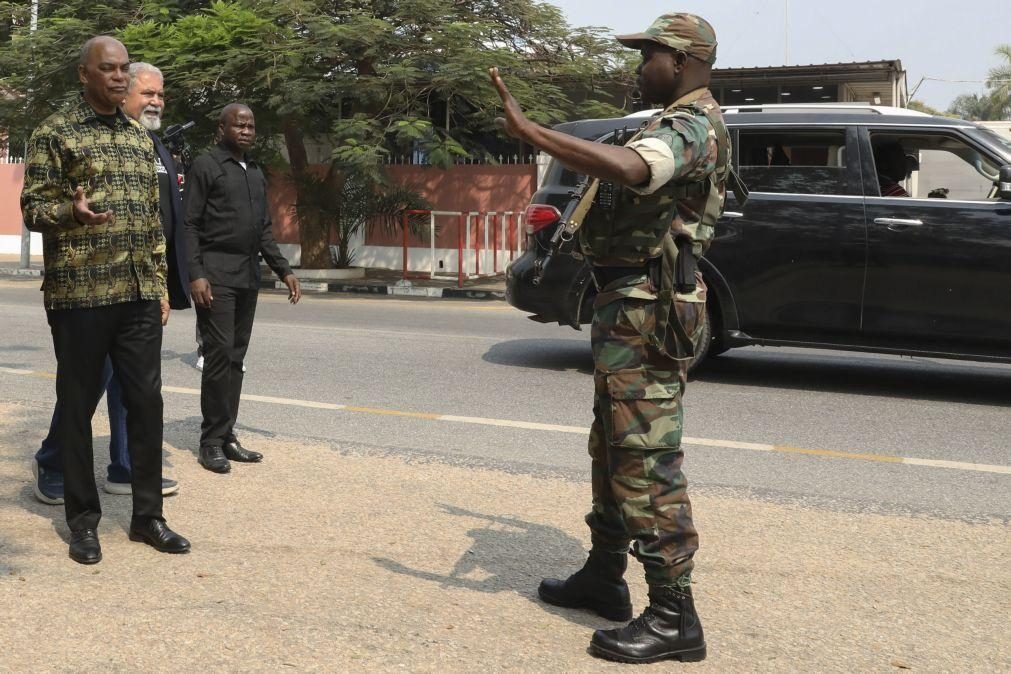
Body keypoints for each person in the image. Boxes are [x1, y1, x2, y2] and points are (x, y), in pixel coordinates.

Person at [490, 13, 735, 664]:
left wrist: (534, 134)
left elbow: (632, 169)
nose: (637, 68)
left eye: (647, 57)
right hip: (626, 306)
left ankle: (673, 616)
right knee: (611, 447)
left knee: (645, 460)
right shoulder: (672, 117)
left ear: (681, 63)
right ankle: (604, 576)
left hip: (650, 310)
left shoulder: (690, 125)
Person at [21, 36, 190, 564]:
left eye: (124, 70)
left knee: (146, 403)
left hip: (138, 297)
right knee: (77, 409)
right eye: (108, 69)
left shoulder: (139, 139)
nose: (119, 77)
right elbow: (32, 209)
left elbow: (151, 225)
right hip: (81, 296)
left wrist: (159, 287)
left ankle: (147, 518)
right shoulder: (54, 133)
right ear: (84, 75)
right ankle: (83, 522)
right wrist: (72, 213)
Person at [184, 103, 300, 474]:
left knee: (236, 358)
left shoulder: (254, 172)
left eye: (251, 126)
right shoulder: (206, 166)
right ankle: (210, 442)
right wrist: (196, 274)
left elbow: (263, 228)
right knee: (218, 357)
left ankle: (227, 433)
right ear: (222, 129)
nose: (247, 131)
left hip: (247, 277)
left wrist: (283, 270)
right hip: (215, 276)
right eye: (240, 125)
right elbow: (190, 225)